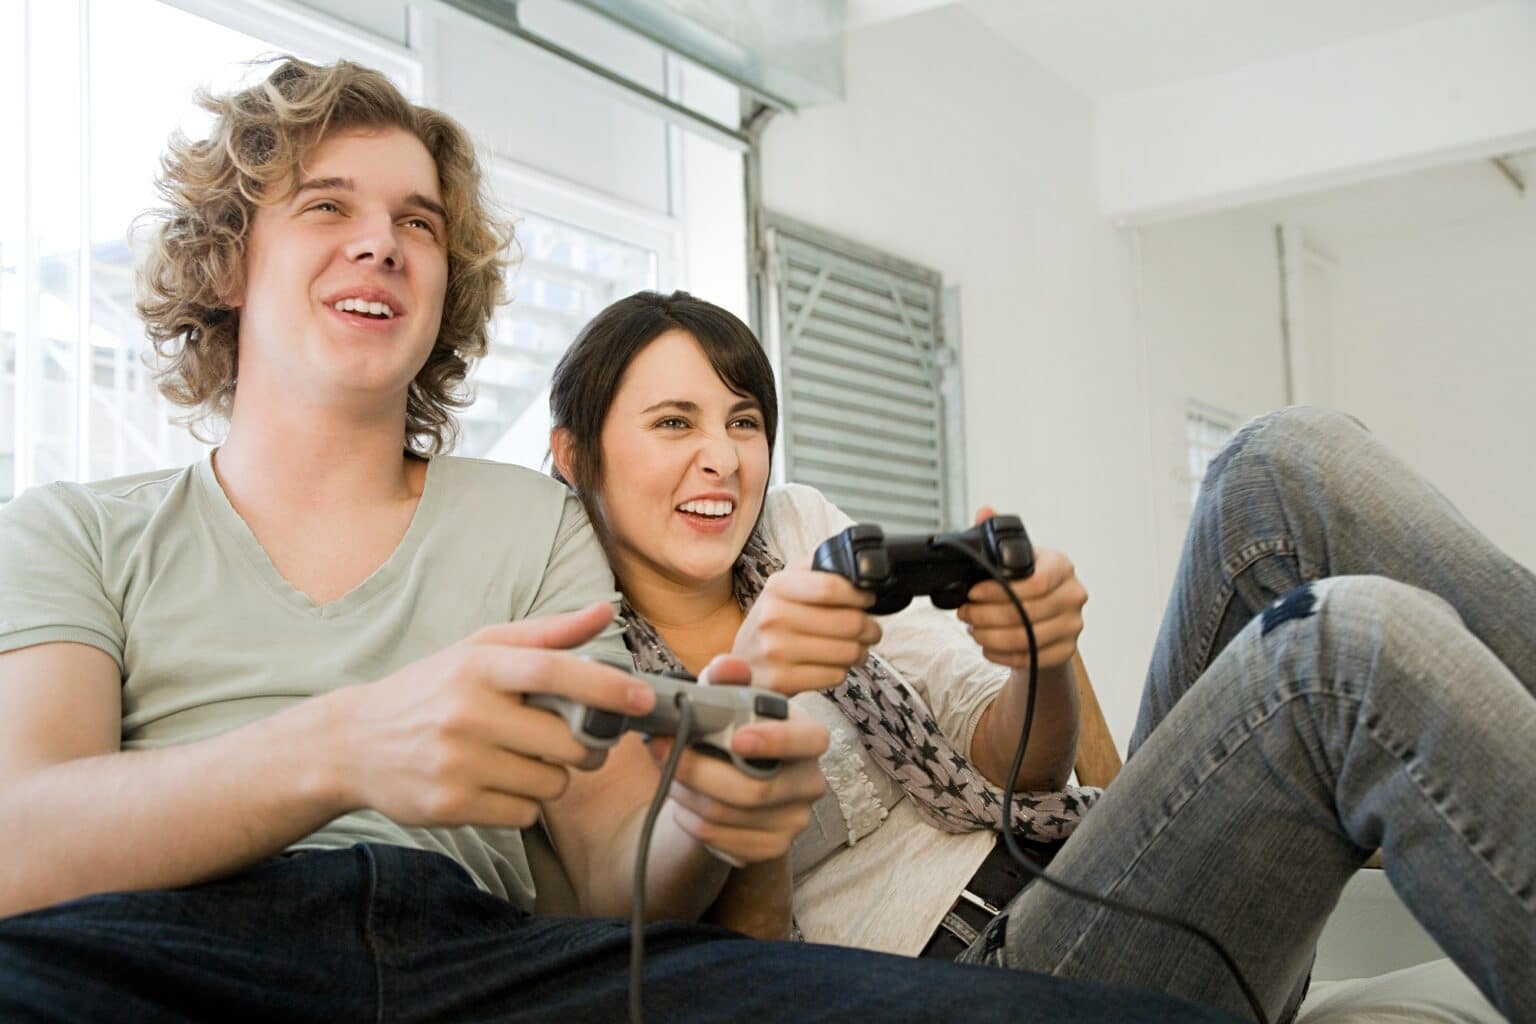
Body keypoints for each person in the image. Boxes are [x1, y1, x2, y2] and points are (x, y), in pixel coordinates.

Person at [0, 57, 1236, 1023]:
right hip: (164, 947)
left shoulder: (529, 522)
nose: (381, 239)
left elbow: (612, 881)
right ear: (226, 261)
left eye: (418, 222)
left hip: (488, 961)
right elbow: (18, 840)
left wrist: (720, 786)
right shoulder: (75, 532)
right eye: (327, 206)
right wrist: (338, 746)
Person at [547, 289, 1534, 1023]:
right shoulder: (569, 634)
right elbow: (655, 931)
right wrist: (751, 699)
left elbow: (1020, 767)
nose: (724, 457)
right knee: (1339, 645)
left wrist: (1041, 656)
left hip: (1097, 863)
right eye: (674, 422)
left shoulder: (797, 530)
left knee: (1284, 460)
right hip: (984, 985)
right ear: (574, 453)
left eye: (745, 421)